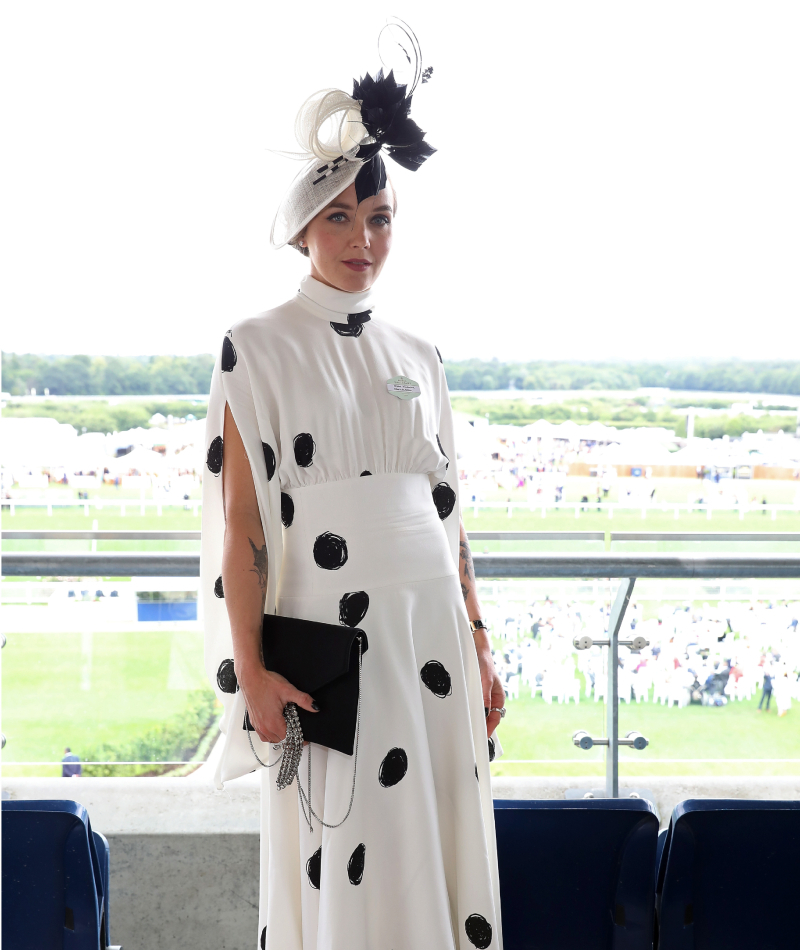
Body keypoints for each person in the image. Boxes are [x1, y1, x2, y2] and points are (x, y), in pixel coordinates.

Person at [200, 23, 505, 950]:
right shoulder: (255, 347)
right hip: (331, 644)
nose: (362, 240)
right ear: (301, 226)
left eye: (378, 220)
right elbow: (242, 529)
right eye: (340, 217)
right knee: (346, 854)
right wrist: (251, 673)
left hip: (433, 643)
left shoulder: (421, 353)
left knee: (435, 845)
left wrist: (481, 642)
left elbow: (450, 521)